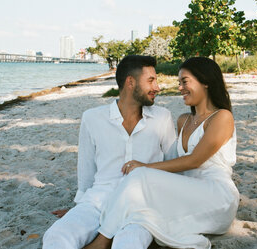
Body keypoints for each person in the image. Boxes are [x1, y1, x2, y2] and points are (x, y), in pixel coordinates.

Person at [85, 57, 239, 249]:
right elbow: (172, 160)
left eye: (185, 82)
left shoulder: (222, 117)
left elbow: (194, 160)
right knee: (140, 212)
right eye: (179, 83)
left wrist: (145, 168)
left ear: (205, 82)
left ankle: (101, 241)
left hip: (216, 196)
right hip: (188, 192)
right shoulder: (184, 120)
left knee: (140, 176)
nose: (180, 88)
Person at [42, 55, 177, 249]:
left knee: (129, 244)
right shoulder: (92, 118)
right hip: (99, 200)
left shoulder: (162, 118)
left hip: (141, 206)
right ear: (130, 82)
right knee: (57, 235)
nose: (157, 87)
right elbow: (86, 169)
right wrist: (79, 208)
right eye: (151, 80)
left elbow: (173, 164)